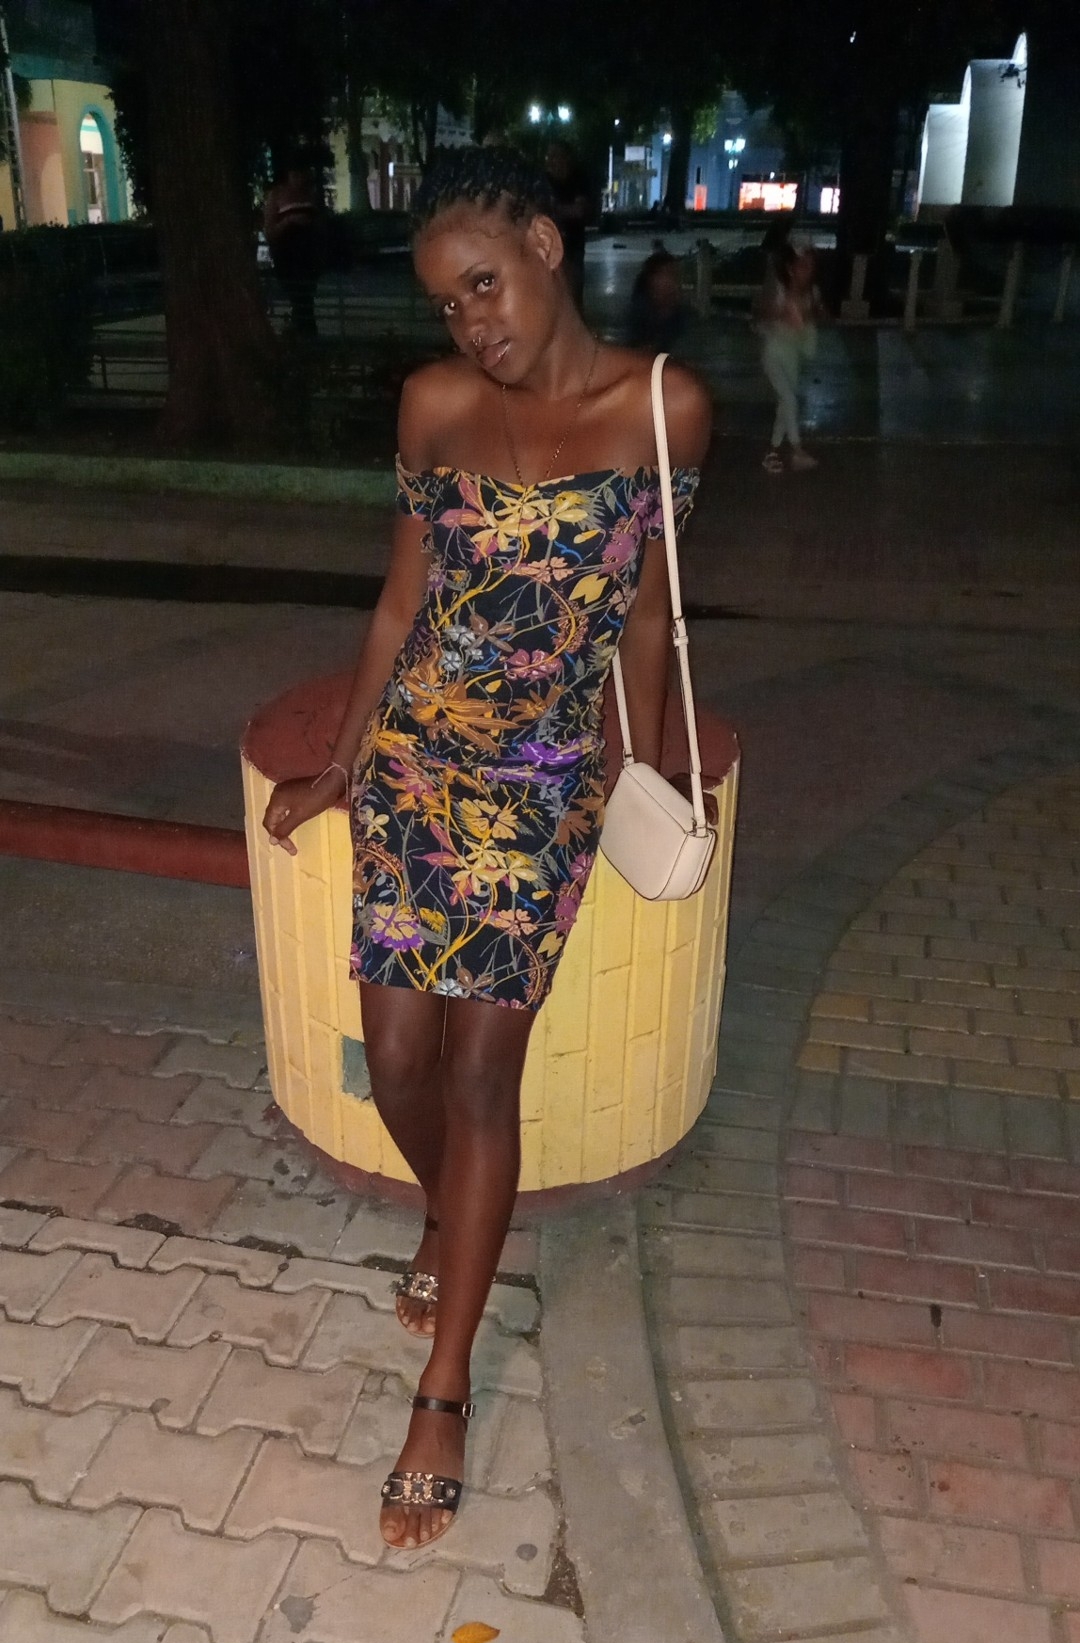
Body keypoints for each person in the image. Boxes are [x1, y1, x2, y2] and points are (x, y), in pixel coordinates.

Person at [262, 146, 711, 1552]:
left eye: (484, 286)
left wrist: (646, 768)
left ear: (544, 246)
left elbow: (648, 617)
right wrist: (345, 763)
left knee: (478, 1074)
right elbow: (401, 606)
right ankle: (451, 1225)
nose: (472, 324)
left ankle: (445, 1389)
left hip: (542, 783)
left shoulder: (663, 407)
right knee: (398, 1061)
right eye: (448, 305)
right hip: (416, 766)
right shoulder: (436, 406)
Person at [755, 243, 823, 473]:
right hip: (773, 353)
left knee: (785, 404)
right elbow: (763, 315)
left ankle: (772, 452)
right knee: (789, 399)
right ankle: (797, 450)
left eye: (811, 266)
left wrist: (809, 316)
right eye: (803, 265)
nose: (808, 271)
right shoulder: (780, 291)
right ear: (791, 268)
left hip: (793, 356)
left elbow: (814, 320)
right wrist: (781, 313)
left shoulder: (812, 294)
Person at [262, 161, 322, 336]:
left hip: (308, 253)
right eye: (295, 175)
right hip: (287, 253)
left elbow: (319, 223)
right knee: (297, 291)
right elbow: (270, 230)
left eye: (302, 174)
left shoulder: (310, 194)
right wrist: (289, 221)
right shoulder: (277, 195)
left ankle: (304, 329)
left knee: (306, 293)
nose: (299, 179)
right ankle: (303, 328)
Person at [543, 139, 589, 310]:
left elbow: (579, 211)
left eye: (555, 156)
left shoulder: (578, 180)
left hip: (571, 248)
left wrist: (552, 209)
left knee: (572, 296)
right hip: (547, 250)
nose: (551, 161)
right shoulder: (544, 181)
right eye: (549, 156)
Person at [628, 242, 686, 353]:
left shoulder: (679, 315)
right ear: (652, 280)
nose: (674, 283)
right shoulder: (640, 315)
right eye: (667, 275)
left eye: (675, 276)